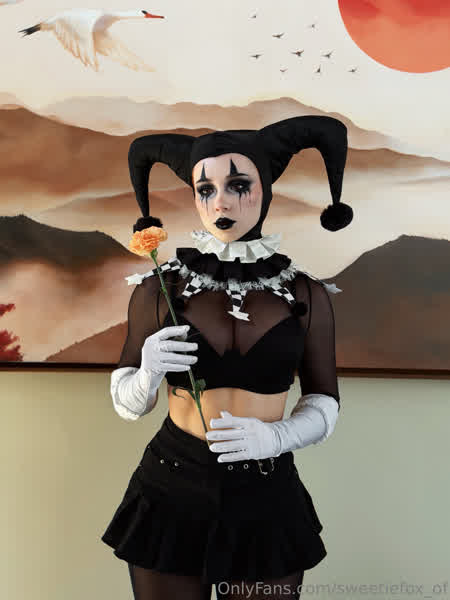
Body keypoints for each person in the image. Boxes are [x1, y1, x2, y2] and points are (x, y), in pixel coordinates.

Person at [100, 115, 352, 600]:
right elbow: (128, 404)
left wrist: (277, 437)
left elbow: (324, 401)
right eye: (206, 189)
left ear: (265, 188)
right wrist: (146, 372)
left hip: (267, 491)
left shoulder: (306, 294)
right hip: (171, 485)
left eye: (238, 185)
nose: (221, 203)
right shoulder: (160, 287)